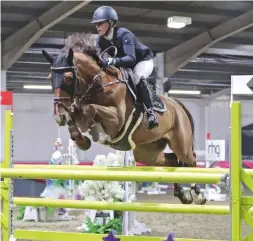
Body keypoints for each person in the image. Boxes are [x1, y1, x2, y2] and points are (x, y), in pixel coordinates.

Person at [90, 5, 158, 130]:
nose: (97, 27)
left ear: (110, 23)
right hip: (124, 66)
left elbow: (131, 58)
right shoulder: (100, 40)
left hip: (142, 61)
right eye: (96, 24)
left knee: (137, 77)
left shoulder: (124, 34)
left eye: (100, 23)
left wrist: (112, 60)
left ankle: (150, 113)